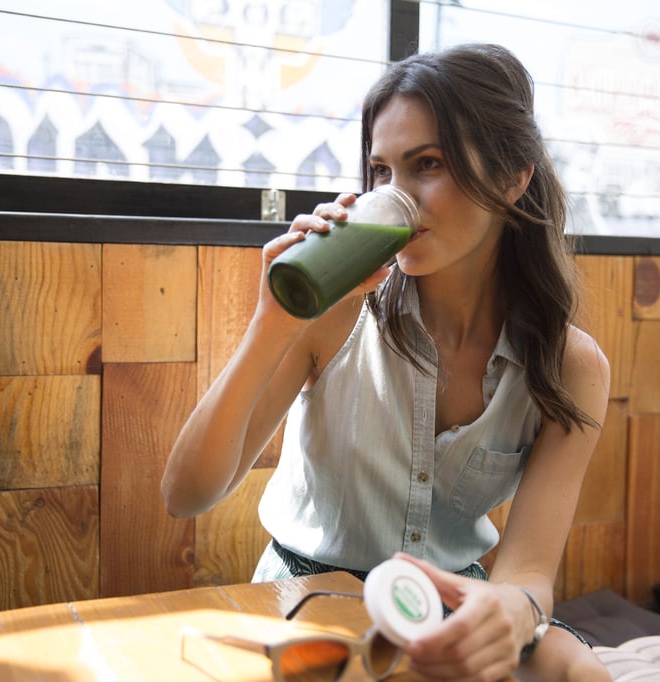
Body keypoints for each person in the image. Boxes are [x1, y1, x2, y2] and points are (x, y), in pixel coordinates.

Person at [162, 43, 612, 682]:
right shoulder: (339, 310)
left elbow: (529, 572)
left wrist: (512, 613)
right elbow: (185, 495)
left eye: (427, 164)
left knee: (579, 672)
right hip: (311, 594)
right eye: (381, 170)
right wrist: (273, 323)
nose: (397, 194)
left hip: (442, 600)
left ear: (514, 177)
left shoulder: (569, 366)